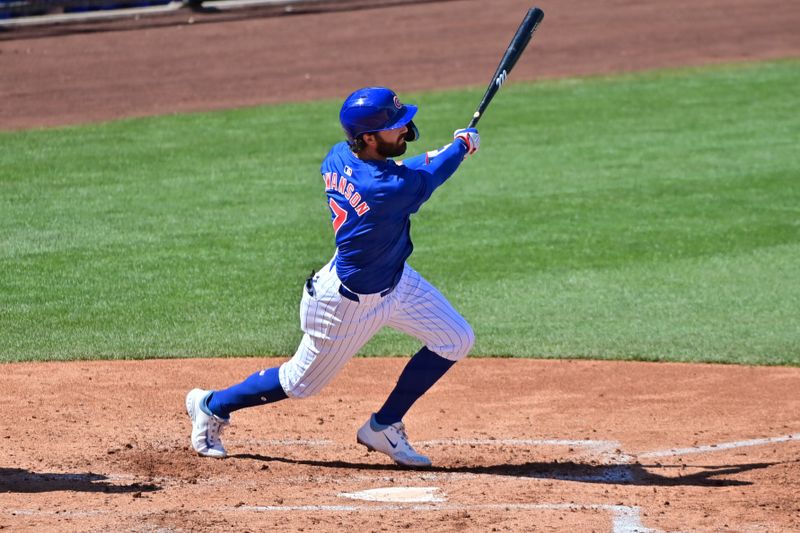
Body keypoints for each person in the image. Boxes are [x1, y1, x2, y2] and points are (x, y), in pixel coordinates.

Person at [186, 86, 480, 467]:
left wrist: (446, 149)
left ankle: (384, 426)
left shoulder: (341, 155)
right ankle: (210, 404)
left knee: (455, 338)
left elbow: (403, 169)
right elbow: (427, 177)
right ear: (370, 138)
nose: (406, 130)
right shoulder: (385, 190)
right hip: (346, 304)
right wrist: (461, 146)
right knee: (298, 383)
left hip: (395, 281)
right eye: (396, 125)